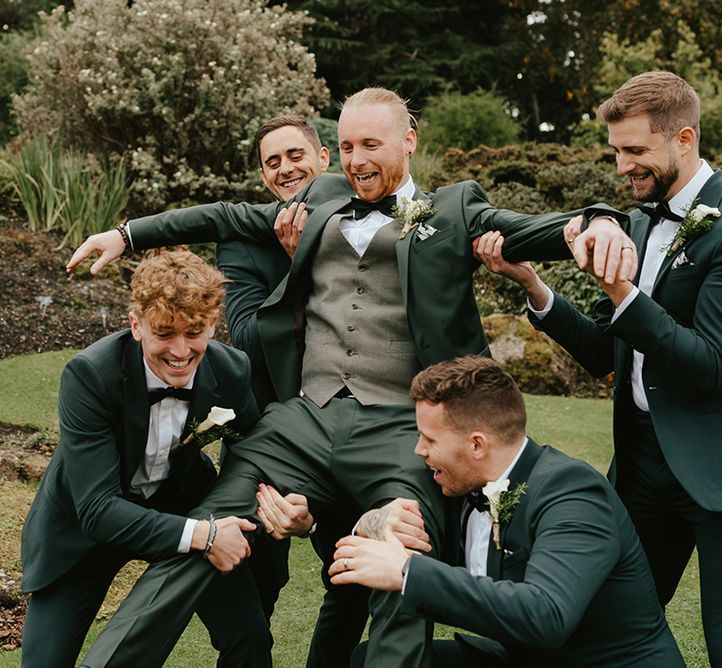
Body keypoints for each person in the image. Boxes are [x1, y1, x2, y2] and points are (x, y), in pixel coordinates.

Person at [72, 86, 636, 668]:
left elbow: (546, 231)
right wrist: (126, 234)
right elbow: (225, 215)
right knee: (204, 532)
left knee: (400, 552)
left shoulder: (455, 210)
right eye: (345, 146)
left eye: (371, 143)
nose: (357, 159)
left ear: (409, 141)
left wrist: (599, 222)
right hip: (300, 423)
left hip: (399, 429)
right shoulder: (319, 200)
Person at [475, 71, 722, 667]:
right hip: (641, 470)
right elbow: (612, 354)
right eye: (615, 151)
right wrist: (535, 287)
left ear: (684, 139)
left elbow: (709, 364)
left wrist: (622, 293)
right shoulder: (634, 221)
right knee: (608, 627)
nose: (620, 166)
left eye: (635, 151)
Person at [20, 250, 286, 667]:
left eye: (195, 332)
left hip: (179, 501)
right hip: (85, 527)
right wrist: (203, 535)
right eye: (165, 332)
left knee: (250, 637)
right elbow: (97, 509)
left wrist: (284, 502)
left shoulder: (232, 369)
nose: (181, 351)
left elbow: (256, 447)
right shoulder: (90, 375)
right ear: (135, 325)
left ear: (214, 325)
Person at [329, 355, 685, 667]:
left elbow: (546, 616)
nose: (418, 450)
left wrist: (408, 572)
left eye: (430, 439)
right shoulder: (459, 482)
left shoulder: (574, 494)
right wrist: (374, 520)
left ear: (477, 444)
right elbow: (401, 527)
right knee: (368, 660)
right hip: (525, 658)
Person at [218, 114, 372, 667]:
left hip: (348, 432)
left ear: (324, 159)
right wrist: (296, 265)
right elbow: (249, 337)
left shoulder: (359, 223)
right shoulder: (243, 238)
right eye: (272, 162)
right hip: (267, 433)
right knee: (256, 584)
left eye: (294, 155)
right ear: (264, 176)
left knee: (350, 576)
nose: (285, 168)